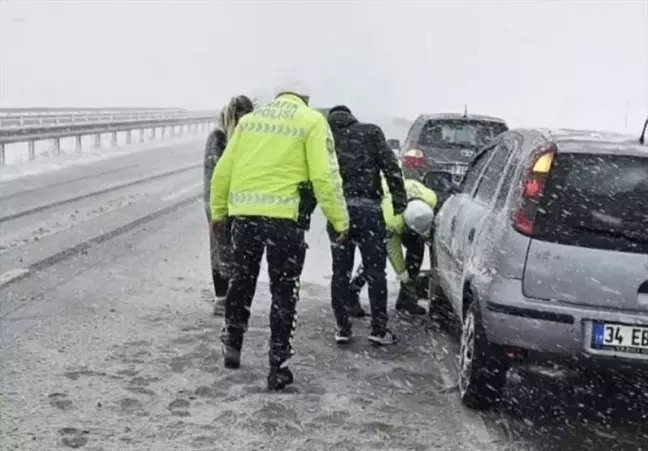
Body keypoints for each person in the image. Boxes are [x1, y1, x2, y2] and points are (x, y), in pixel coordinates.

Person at [210, 85, 349, 390]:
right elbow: (325, 176)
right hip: (285, 223)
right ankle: (278, 365)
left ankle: (233, 341)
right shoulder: (311, 121)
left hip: (245, 217)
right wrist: (339, 220)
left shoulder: (249, 122)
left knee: (242, 281)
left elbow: (223, 171)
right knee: (284, 292)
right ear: (305, 98)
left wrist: (218, 213)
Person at [326, 105, 407, 346]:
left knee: (340, 272)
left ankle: (343, 328)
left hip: (339, 211)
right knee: (375, 272)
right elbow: (391, 167)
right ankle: (379, 329)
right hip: (369, 211)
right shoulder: (370, 132)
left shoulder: (326, 139)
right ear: (352, 118)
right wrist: (399, 201)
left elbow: (315, 176)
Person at [350, 178, 438, 318]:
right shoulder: (392, 217)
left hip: (408, 212)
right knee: (375, 257)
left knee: (417, 248)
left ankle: (406, 299)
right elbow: (392, 248)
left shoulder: (430, 199)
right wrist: (402, 273)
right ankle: (351, 295)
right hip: (376, 214)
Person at [203, 96, 255, 315]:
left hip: (242, 202)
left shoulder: (248, 136)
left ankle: (235, 298)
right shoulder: (219, 136)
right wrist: (217, 209)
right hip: (221, 202)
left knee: (240, 252)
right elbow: (214, 175)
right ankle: (222, 297)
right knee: (221, 249)